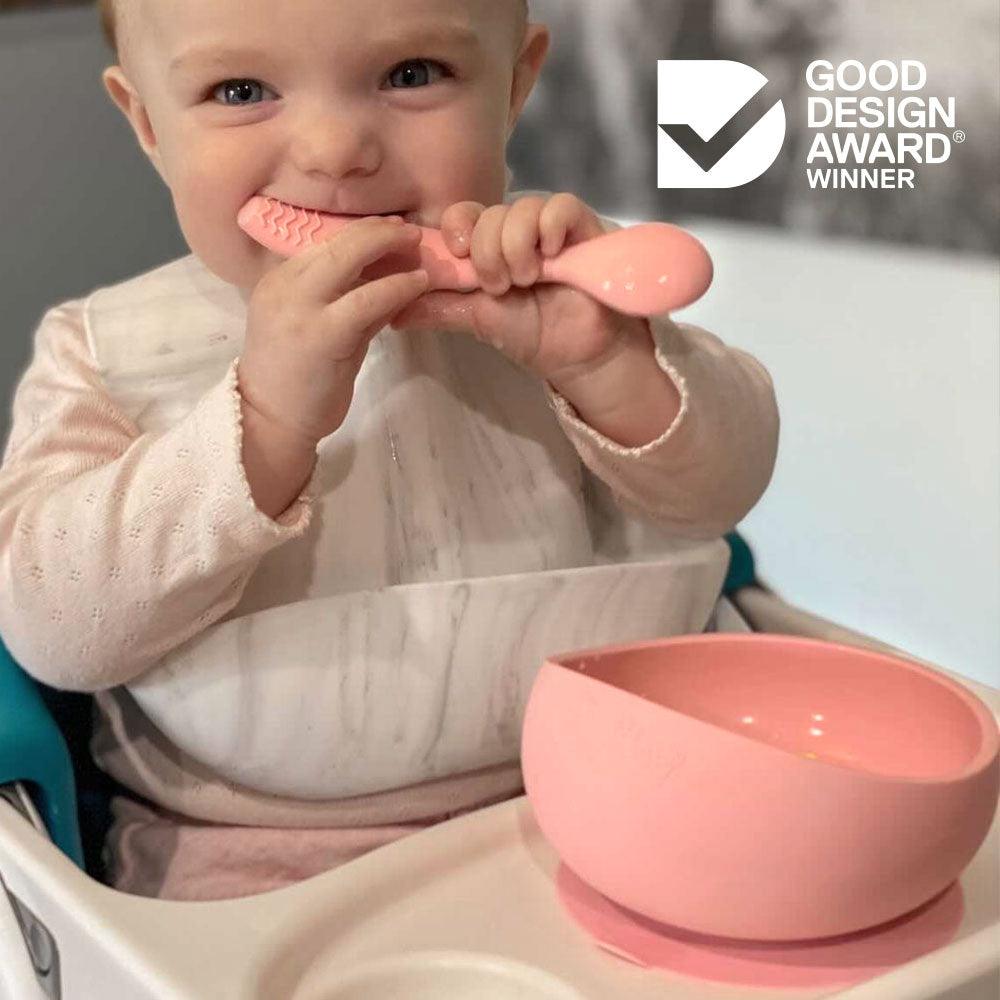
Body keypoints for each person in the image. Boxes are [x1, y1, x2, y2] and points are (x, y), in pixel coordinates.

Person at [0, 0, 779, 900]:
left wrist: (609, 364)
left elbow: (723, 489)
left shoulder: (560, 286)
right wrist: (261, 429)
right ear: (147, 123)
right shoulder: (104, 351)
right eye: (241, 90)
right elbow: (54, 630)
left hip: (618, 803)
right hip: (257, 857)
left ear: (515, 85)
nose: (336, 148)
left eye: (412, 75)